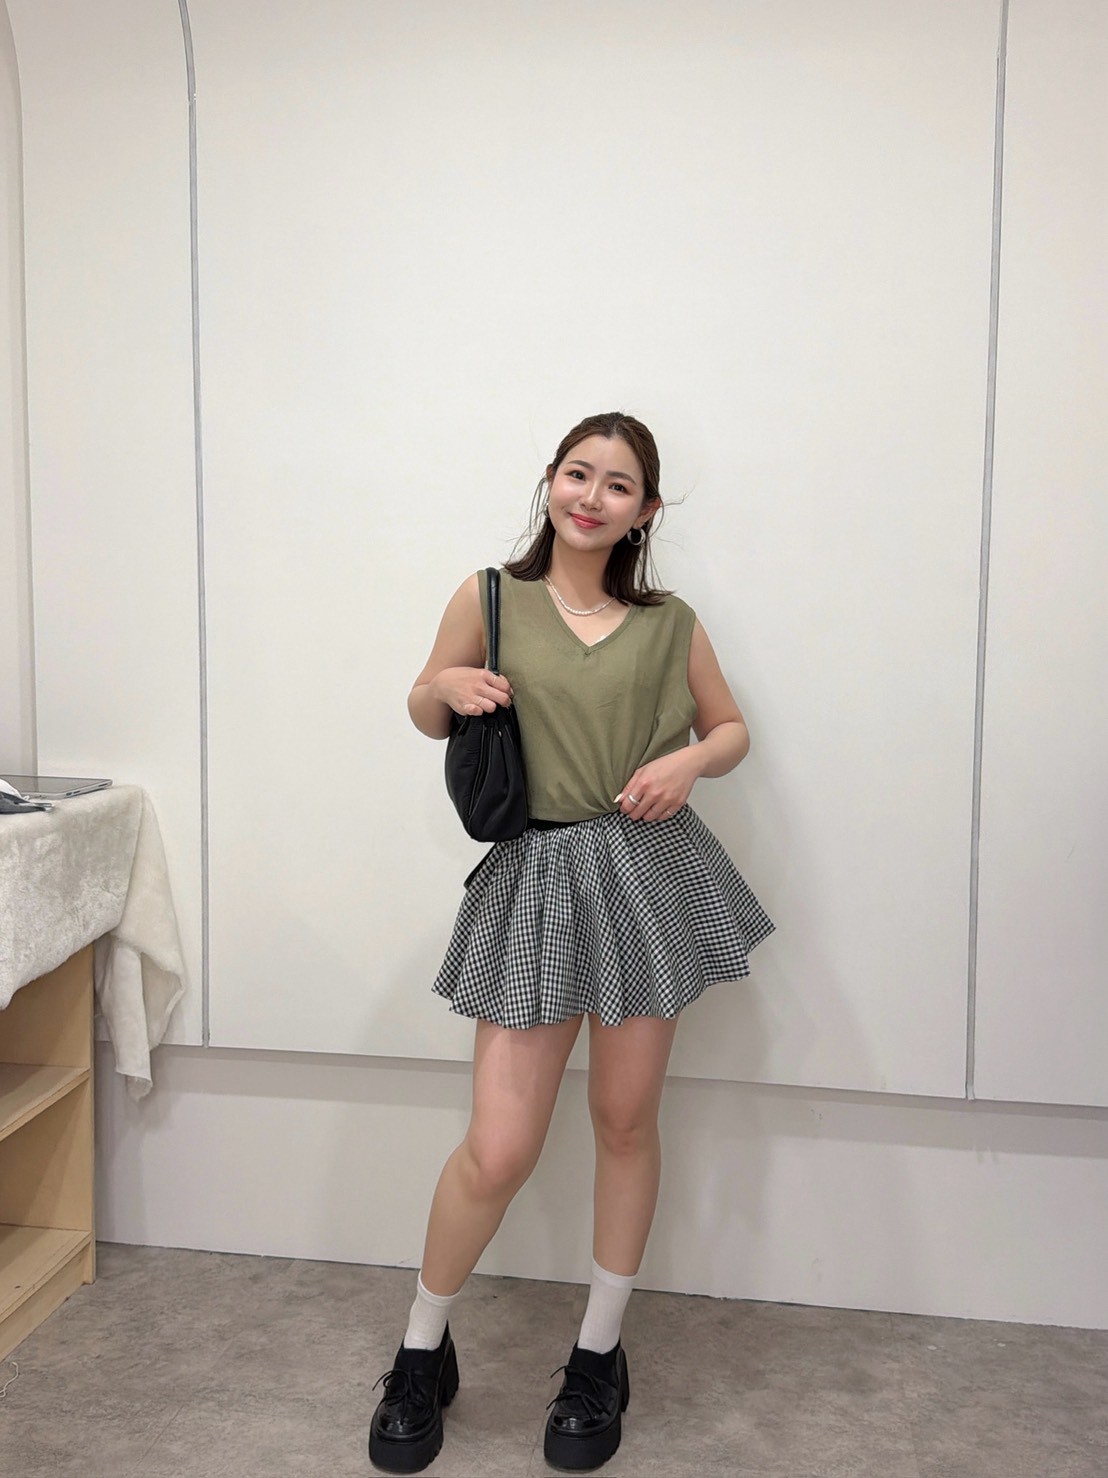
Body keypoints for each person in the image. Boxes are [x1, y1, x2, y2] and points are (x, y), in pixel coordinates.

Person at [369, 411, 775, 1473]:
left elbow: (730, 729)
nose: (592, 496)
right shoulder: (489, 598)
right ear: (549, 480)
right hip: (537, 878)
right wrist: (443, 687)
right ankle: (421, 1349)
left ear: (645, 511)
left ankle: (598, 1354)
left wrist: (690, 762)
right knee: (499, 1148)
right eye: (578, 473)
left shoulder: (668, 621)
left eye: (619, 484)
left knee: (625, 1120)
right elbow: (424, 704)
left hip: (644, 873)